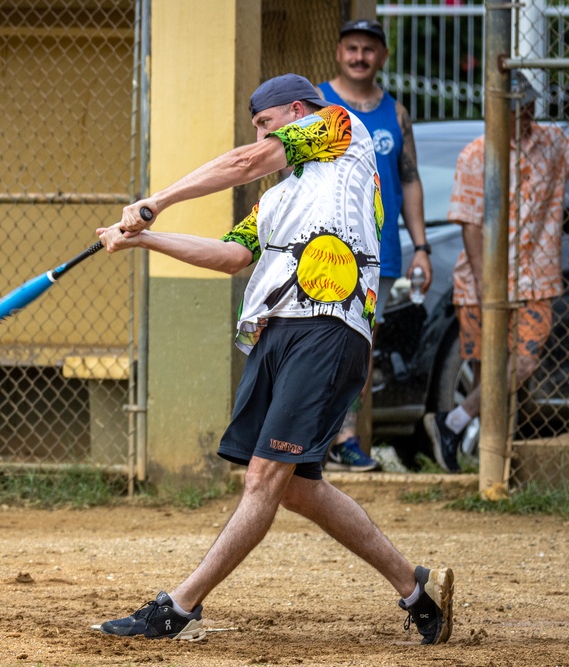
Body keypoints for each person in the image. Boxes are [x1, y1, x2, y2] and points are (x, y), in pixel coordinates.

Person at [93, 73, 453, 645]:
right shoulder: (282, 196)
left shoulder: (339, 127)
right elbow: (233, 255)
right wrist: (145, 239)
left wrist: (156, 201)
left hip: (329, 323)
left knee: (263, 477)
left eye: (264, 124)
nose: (261, 139)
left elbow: (242, 162)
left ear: (294, 111)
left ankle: (179, 607)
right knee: (293, 487)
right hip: (276, 331)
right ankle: (416, 589)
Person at [423, 72, 569, 473]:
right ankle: (492, 462)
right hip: (483, 281)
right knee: (489, 369)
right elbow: (470, 222)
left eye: (529, 105)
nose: (525, 114)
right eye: (515, 106)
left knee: (522, 364)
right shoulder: (476, 154)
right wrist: (490, 283)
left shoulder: (554, 144)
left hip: (535, 276)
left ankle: (451, 421)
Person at [318, 19, 433, 472]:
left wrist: (421, 245)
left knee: (359, 349)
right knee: (320, 341)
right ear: (339, 52)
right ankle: (309, 438)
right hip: (325, 248)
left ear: (382, 57)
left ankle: (343, 438)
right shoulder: (318, 103)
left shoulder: (396, 113)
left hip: (380, 252)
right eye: (352, 48)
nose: (360, 56)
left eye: (369, 49)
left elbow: (409, 179)